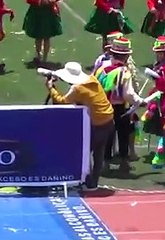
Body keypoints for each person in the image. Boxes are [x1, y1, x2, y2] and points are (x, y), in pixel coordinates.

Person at [47, 62, 115, 191]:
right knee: (98, 152)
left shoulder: (77, 89)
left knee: (83, 152)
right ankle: (93, 183)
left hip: (96, 124)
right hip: (108, 120)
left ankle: (82, 180)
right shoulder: (92, 79)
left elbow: (62, 101)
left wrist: (51, 88)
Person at [23, 0, 64, 67]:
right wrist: (39, 2)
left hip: (49, 11)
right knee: (38, 36)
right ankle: (38, 55)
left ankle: (45, 58)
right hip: (37, 11)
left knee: (47, 36)